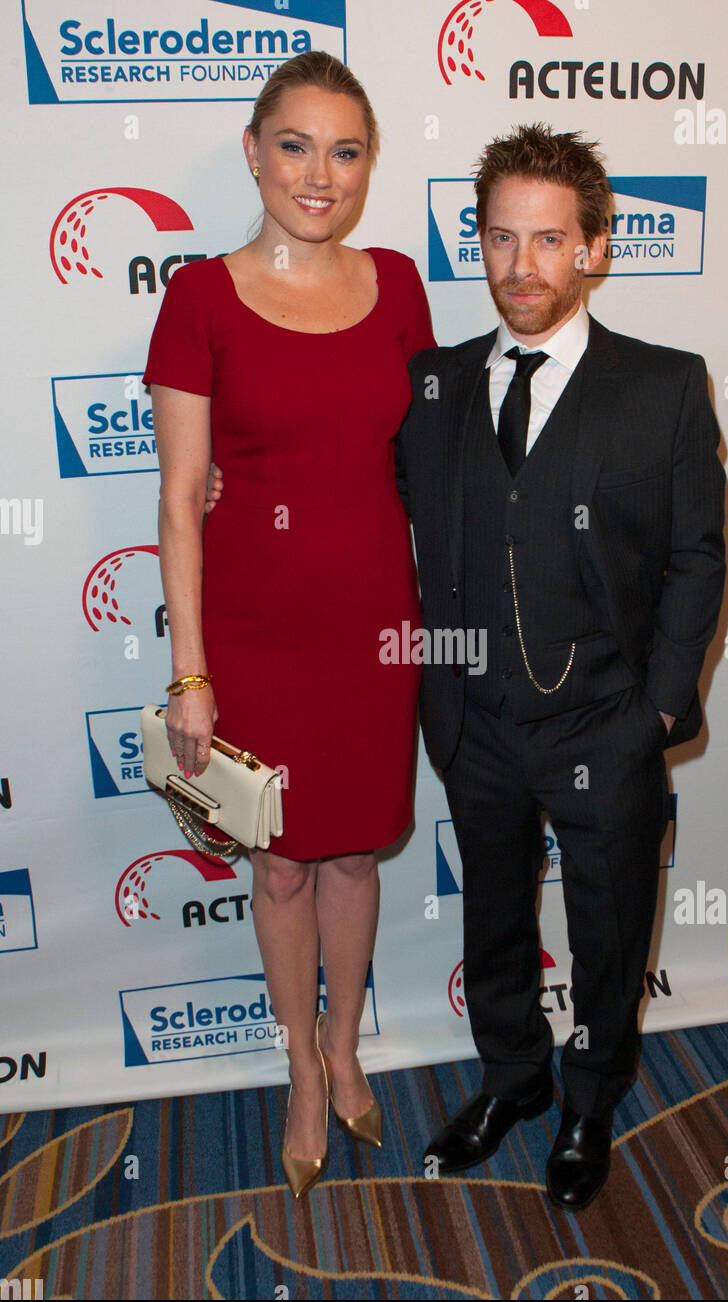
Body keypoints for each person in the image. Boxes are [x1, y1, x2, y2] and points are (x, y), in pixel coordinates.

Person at [395, 123, 726, 1211]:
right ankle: (512, 1082)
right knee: (493, 915)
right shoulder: (432, 386)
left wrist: (653, 713)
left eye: (547, 241)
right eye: (500, 239)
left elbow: (694, 556)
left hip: (603, 727)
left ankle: (587, 1100)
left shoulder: (663, 386)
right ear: (477, 242)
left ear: (593, 247)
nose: (520, 267)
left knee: (604, 928)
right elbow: (356, 500)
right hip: (473, 725)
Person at [143, 51, 435, 1200]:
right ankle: (299, 1075)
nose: (321, 174)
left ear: (367, 165)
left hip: (376, 626)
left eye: (346, 150)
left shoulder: (402, 283)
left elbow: (432, 458)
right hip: (254, 632)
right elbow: (178, 496)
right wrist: (189, 674)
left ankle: (348, 1047)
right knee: (277, 866)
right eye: (297, 145)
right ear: (255, 150)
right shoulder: (200, 296)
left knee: (355, 849)